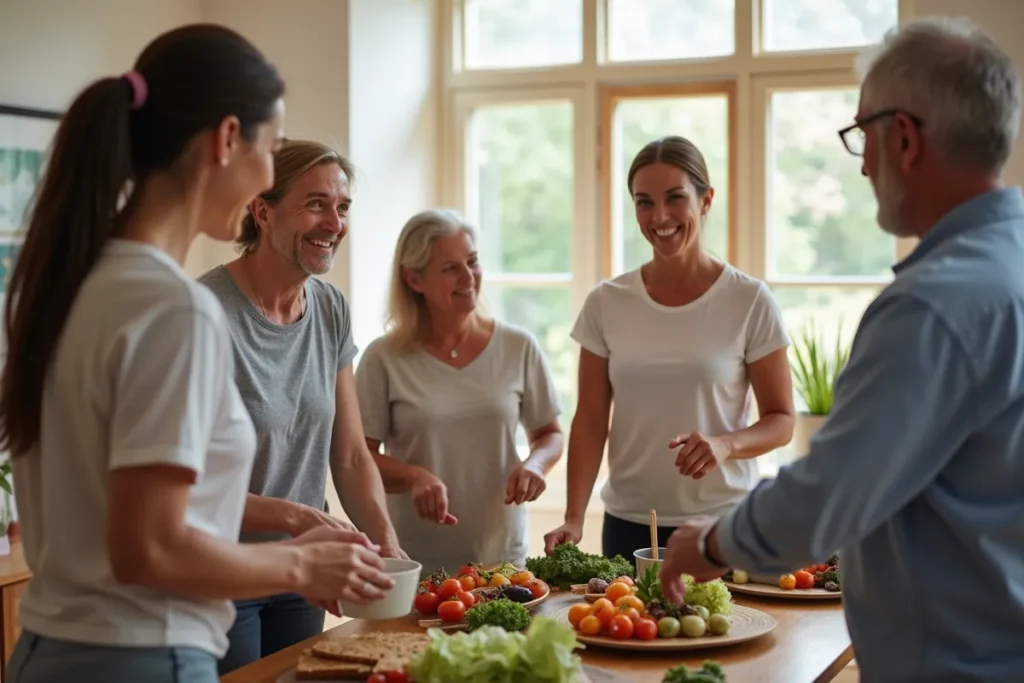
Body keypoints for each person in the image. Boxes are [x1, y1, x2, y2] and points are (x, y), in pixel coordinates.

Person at [0, 25, 393, 683]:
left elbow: (130, 513)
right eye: (269, 150)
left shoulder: (74, 284)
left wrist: (299, 522)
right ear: (226, 139)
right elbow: (148, 547)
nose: (266, 173)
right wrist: (301, 564)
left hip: (47, 651)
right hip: (143, 657)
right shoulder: (174, 308)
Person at [657, 17, 1024, 683]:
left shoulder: (934, 303)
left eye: (863, 135)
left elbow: (831, 491)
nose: (862, 163)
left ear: (905, 138)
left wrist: (711, 541)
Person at [199, 139, 407, 674]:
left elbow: (352, 456)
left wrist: (386, 546)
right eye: (316, 204)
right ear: (262, 212)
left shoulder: (330, 307)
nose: (333, 223)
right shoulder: (204, 315)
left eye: (342, 208)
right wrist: (294, 517)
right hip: (226, 570)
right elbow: (189, 487)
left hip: (306, 570)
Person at [543, 136, 795, 561]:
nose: (659, 216)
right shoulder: (607, 302)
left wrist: (726, 444)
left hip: (723, 526)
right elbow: (588, 420)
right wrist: (573, 516)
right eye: (644, 202)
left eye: (675, 198)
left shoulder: (748, 300)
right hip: (628, 524)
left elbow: (782, 420)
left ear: (706, 199)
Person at [355, 208, 565, 575]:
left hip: (501, 556)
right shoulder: (382, 358)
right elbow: (358, 458)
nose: (468, 277)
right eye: (451, 268)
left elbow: (550, 434)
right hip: (412, 560)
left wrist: (535, 464)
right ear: (414, 279)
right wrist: (414, 477)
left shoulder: (518, 347)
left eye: (472, 262)